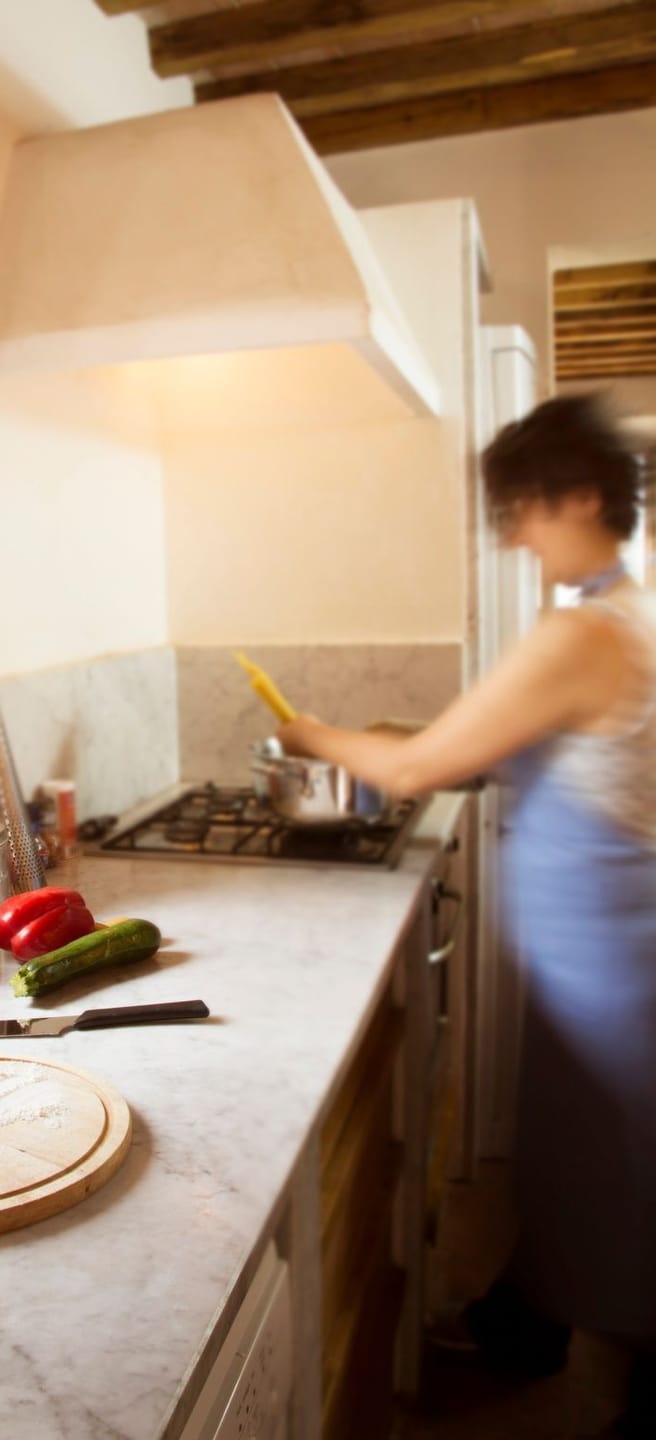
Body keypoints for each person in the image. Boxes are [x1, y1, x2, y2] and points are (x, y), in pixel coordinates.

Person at [277, 392, 656, 1440]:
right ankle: (521, 1331)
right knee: (580, 1167)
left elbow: (412, 768)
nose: (514, 535)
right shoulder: (621, 604)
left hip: (614, 969)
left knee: (617, 1180)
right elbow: (487, 740)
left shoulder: (588, 630)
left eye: (523, 510)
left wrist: (310, 735)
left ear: (581, 495)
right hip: (601, 951)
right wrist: (392, 732)